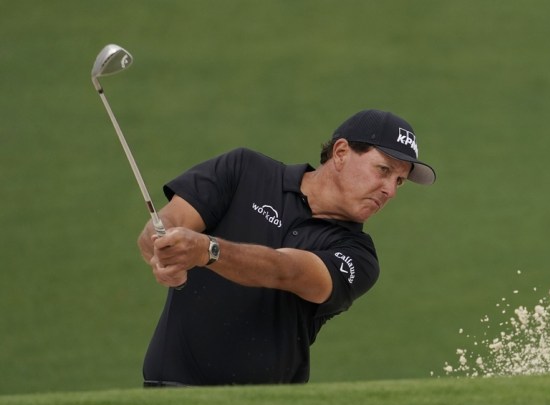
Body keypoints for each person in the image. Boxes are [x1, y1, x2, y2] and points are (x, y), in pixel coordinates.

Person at [137, 109, 436, 387]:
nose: (391, 191)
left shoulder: (359, 256)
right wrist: (161, 243)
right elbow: (170, 220)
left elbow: (287, 272)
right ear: (341, 152)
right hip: (169, 390)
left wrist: (208, 250)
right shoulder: (243, 170)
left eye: (400, 181)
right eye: (383, 170)